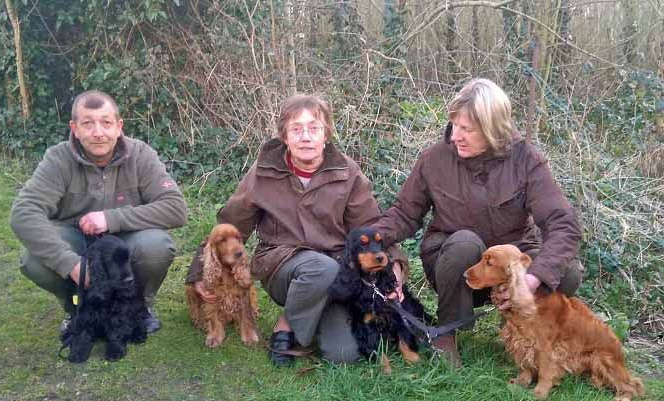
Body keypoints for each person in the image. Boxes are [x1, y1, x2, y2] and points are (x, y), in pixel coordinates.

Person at [372, 78, 583, 367]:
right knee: (464, 244)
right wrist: (370, 239)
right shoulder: (434, 160)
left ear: (492, 129)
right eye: (455, 125)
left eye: (467, 129)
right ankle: (446, 333)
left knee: (566, 271)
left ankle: (526, 331)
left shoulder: (526, 160)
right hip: (453, 262)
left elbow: (564, 224)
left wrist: (531, 279)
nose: (456, 135)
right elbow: (405, 214)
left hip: (509, 262)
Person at [185, 94, 406, 365]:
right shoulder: (263, 172)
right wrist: (199, 272)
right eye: (296, 129)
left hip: (337, 273)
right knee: (321, 269)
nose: (306, 137)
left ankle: (312, 315)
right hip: (281, 265)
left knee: (343, 355)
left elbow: (373, 229)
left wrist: (394, 268)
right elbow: (230, 226)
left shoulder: (348, 172)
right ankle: (285, 326)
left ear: (326, 134)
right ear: (284, 137)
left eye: (314, 128)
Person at [10, 90, 187, 334]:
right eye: (87, 123)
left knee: (156, 245)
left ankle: (138, 308)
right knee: (32, 259)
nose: (98, 132)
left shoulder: (141, 155)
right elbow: (23, 212)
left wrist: (111, 218)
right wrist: (70, 263)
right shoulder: (57, 159)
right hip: (76, 241)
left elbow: (176, 208)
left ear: (119, 126)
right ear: (75, 128)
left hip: (123, 240)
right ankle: (77, 309)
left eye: (106, 123)